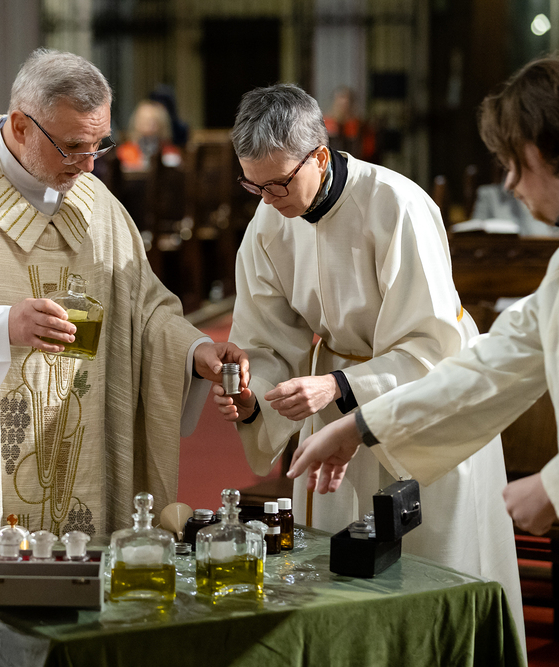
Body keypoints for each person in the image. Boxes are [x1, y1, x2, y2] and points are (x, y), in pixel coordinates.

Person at [0, 48, 247, 558]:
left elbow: (145, 310)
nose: (89, 165)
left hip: (79, 442)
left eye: (99, 145)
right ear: (21, 126)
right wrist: (0, 325)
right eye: (72, 147)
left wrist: (195, 351)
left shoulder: (96, 204)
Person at [214, 83, 524, 649]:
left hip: (425, 403)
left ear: (320, 156)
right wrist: (255, 395)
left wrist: (338, 385)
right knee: (342, 581)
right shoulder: (268, 221)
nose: (267, 199)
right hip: (334, 397)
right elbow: (265, 341)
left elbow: (433, 346)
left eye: (278, 183)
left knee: (433, 571)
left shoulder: (397, 205)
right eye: (253, 185)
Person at [289, 55, 559, 565]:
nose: (509, 184)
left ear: (545, 151)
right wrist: (360, 426)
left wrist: (556, 484)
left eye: (513, 163)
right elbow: (496, 364)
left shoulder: (398, 200)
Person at [116, 99, 182, 172]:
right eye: (145, 121)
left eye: (154, 121)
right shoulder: (125, 151)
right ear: (137, 123)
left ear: (162, 124)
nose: (150, 125)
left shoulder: (169, 151)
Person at [323, 86, 376, 162]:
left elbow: (369, 151)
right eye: (340, 105)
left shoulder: (360, 126)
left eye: (346, 105)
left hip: (354, 164)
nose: (343, 108)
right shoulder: (325, 124)